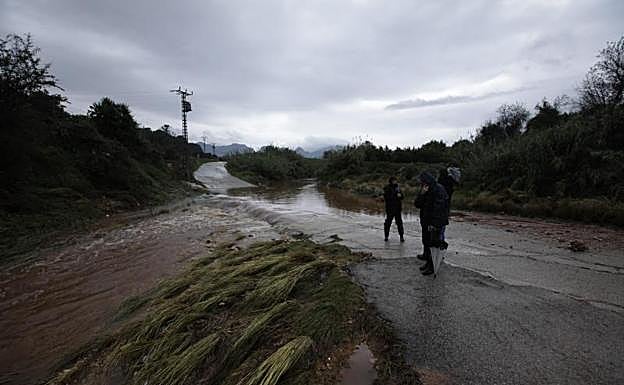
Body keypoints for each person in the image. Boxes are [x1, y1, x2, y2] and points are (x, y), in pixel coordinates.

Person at [414, 171, 449, 275]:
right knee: (427, 242)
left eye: (422, 181)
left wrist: (434, 224)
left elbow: (439, 209)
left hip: (435, 223)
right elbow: (417, 204)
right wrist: (422, 194)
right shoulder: (426, 189)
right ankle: (428, 262)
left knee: (434, 245)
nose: (421, 183)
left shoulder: (439, 190)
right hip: (426, 220)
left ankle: (432, 266)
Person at [437, 167, 460, 247]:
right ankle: (441, 242)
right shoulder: (450, 180)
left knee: (438, 227)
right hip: (447, 205)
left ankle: (439, 244)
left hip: (440, 207)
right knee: (442, 226)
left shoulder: (441, 182)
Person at [383, 176, 405, 242]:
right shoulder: (387, 188)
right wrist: (395, 194)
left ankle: (401, 236)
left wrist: (400, 196)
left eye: (396, 180)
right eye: (394, 180)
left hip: (397, 209)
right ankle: (386, 236)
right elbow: (386, 197)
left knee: (399, 223)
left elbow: (402, 196)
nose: (395, 182)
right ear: (391, 181)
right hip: (390, 209)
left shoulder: (398, 188)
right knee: (388, 223)